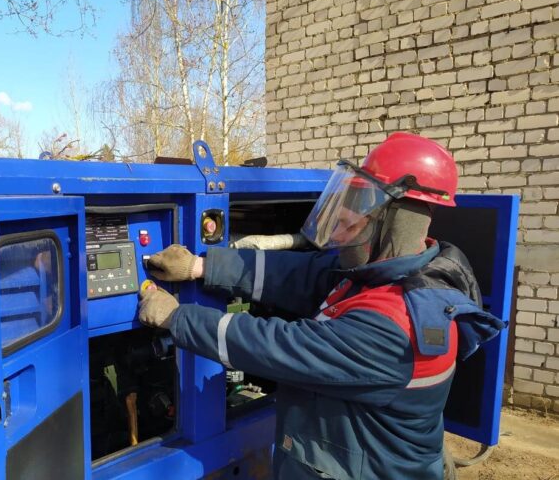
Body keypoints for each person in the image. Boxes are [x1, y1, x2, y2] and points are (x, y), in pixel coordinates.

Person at [137, 133, 505, 480]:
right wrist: (202, 267)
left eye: (359, 208)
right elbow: (303, 273)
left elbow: (278, 347)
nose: (343, 220)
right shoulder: (399, 270)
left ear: (397, 221)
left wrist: (176, 317)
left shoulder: (398, 327)